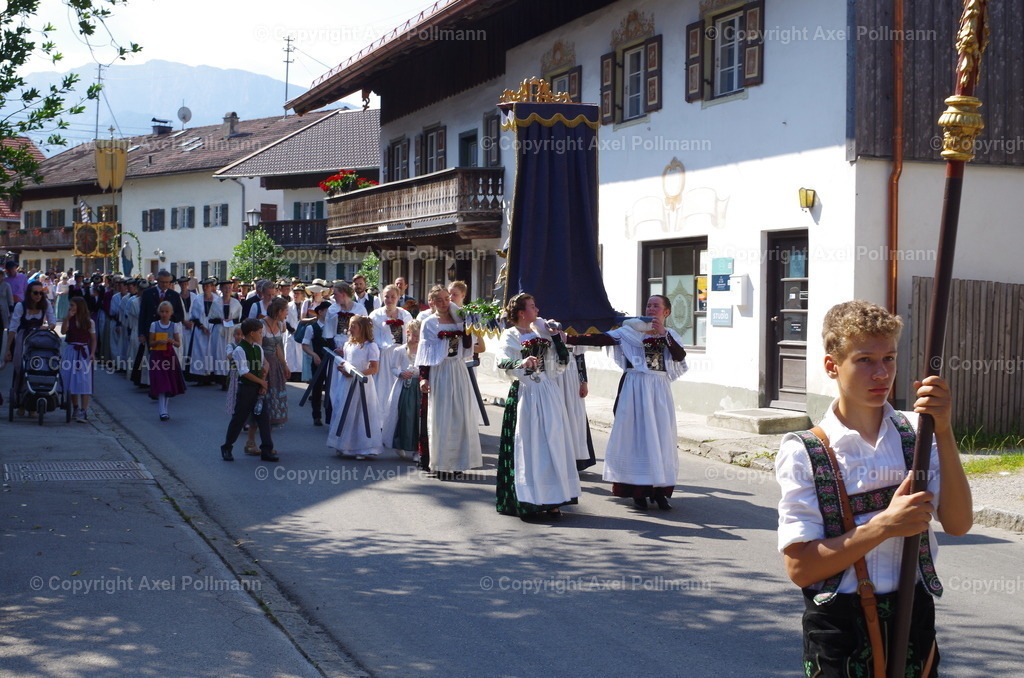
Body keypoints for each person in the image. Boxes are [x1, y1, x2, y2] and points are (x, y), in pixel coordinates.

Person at [776, 300, 972, 678]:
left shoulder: (919, 433)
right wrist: (884, 525)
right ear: (832, 366)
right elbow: (801, 568)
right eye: (865, 360)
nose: (881, 373)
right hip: (839, 626)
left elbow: (959, 523)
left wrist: (944, 430)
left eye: (890, 359)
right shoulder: (805, 451)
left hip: (912, 616)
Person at [566, 295, 688, 510]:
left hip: (658, 390)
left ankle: (660, 491)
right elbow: (600, 339)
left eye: (656, 306)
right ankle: (637, 492)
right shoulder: (629, 331)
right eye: (649, 305)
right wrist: (567, 338)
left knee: (660, 437)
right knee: (636, 436)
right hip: (634, 387)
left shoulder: (671, 335)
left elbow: (679, 356)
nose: (651, 308)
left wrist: (663, 335)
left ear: (666, 312)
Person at [494, 293, 580, 520]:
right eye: (533, 306)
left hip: (547, 392)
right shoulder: (510, 335)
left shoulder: (540, 332)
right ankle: (529, 500)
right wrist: (521, 361)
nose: (537, 309)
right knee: (529, 445)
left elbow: (562, 361)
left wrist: (556, 338)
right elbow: (501, 361)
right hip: (526, 392)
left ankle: (553, 500)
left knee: (552, 443)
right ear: (522, 312)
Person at [414, 285, 482, 477]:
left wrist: (468, 324)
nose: (444, 303)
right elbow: (425, 355)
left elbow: (470, 345)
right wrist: (423, 378)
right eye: (439, 300)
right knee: (441, 416)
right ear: (433, 302)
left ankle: (459, 461)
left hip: (458, 369)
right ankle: (441, 462)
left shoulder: (459, 319)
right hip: (440, 370)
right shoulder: (429, 323)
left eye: (446, 298)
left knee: (460, 415)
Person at [221, 318, 279, 462]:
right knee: (239, 419)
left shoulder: (257, 348)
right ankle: (227, 446)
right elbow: (244, 372)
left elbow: (261, 367)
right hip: (246, 388)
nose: (261, 335)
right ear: (252, 333)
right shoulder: (239, 350)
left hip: (258, 388)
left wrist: (263, 381)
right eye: (260, 333)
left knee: (264, 419)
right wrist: (262, 383)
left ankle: (266, 449)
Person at [326, 315, 382, 459]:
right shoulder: (348, 345)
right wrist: (342, 367)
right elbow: (347, 362)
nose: (349, 329)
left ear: (362, 328)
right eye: (350, 326)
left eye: (353, 326)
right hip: (346, 383)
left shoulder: (371, 346)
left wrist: (356, 374)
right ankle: (343, 445)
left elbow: (374, 368)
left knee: (360, 414)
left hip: (362, 384)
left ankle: (362, 448)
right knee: (344, 410)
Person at [5, 280, 57, 416]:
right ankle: (21, 401)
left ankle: (33, 404)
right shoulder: (21, 307)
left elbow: (52, 322)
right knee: (21, 368)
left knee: (37, 368)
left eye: (41, 293)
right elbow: (13, 328)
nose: (38, 295)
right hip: (23, 339)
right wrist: (7, 349)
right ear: (29, 293)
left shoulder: (45, 305)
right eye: (36, 293)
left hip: (39, 340)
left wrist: (47, 327)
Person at [369, 284, 414, 411]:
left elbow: (409, 334)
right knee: (382, 387)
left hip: (401, 354)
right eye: (386, 297)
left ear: (398, 297)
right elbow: (372, 336)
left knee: (398, 384)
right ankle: (381, 417)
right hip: (383, 356)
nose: (389, 300)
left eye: (392, 297)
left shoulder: (405, 315)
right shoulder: (376, 315)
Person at [381, 320, 421, 461]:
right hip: (404, 387)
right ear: (408, 333)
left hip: (419, 386)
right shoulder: (400, 350)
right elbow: (393, 367)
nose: (417, 339)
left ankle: (418, 449)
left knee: (419, 417)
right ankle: (401, 444)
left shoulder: (423, 350)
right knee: (404, 416)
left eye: (420, 336)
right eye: (415, 336)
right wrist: (400, 373)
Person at [148, 300, 187, 421]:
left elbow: (178, 343)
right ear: (159, 312)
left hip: (169, 356)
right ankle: (162, 410)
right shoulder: (154, 325)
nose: (164, 314)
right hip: (157, 356)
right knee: (161, 382)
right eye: (162, 311)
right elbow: (151, 343)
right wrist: (157, 342)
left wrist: (172, 342)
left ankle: (165, 410)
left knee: (168, 382)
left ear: (171, 313)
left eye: (167, 312)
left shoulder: (173, 325)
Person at [60, 295, 96, 423]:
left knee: (84, 381)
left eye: (72, 305)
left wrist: (92, 353)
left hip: (83, 352)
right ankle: (75, 407)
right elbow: (63, 332)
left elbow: (93, 339)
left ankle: (83, 410)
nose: (70, 308)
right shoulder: (70, 320)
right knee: (71, 380)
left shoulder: (89, 322)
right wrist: (67, 318)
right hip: (71, 350)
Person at [301, 300, 333, 426]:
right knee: (317, 388)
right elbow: (305, 345)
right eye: (328, 311)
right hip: (318, 360)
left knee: (332, 389)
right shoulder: (311, 327)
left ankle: (330, 417)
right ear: (320, 312)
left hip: (332, 361)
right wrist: (313, 354)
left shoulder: (333, 327)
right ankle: (316, 415)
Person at [187, 277, 224, 385]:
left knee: (212, 352)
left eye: (208, 286)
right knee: (199, 353)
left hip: (214, 328)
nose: (205, 288)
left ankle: (211, 376)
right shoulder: (197, 299)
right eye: (204, 286)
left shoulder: (217, 299)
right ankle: (200, 377)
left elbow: (220, 315)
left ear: (212, 287)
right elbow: (193, 315)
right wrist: (202, 326)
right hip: (200, 330)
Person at [261, 298, 290, 426]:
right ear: (279, 311)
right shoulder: (261, 325)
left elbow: (278, 347)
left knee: (275, 389)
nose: (287, 314)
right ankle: (256, 419)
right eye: (286, 311)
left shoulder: (279, 325)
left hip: (275, 364)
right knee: (262, 391)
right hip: (263, 363)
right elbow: (257, 347)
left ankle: (273, 417)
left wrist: (284, 365)